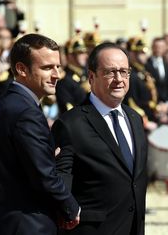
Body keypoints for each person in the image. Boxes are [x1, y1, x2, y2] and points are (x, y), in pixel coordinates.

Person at [0, 34, 80, 235]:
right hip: (29, 225)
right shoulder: (27, 113)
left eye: (57, 67)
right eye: (47, 67)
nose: (56, 75)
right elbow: (44, 176)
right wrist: (71, 208)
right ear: (21, 69)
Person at [52, 42, 148, 235]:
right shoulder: (71, 124)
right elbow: (60, 180)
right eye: (110, 72)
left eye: (124, 71)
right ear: (91, 76)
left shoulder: (135, 119)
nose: (119, 79)